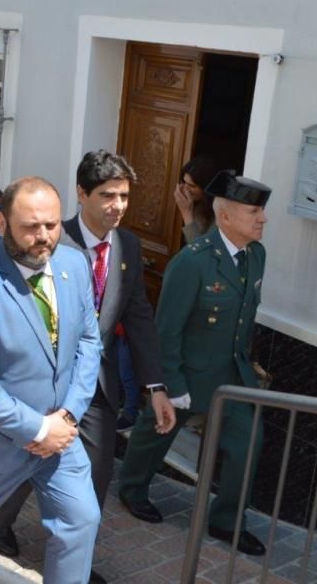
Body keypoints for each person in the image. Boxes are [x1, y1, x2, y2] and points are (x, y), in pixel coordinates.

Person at [0, 153, 176, 583]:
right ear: (82, 193)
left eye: (124, 196)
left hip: (97, 387)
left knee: (95, 475)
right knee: (23, 466)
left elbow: (139, 317)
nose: (118, 205)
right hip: (40, 385)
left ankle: (73, 560)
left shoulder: (127, 246)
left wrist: (155, 385)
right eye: (107, 195)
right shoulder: (50, 240)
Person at [0, 177, 102, 584]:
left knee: (81, 519)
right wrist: (37, 427)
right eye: (30, 226)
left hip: (61, 433)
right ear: (1, 224)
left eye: (51, 224)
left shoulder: (74, 264)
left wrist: (66, 415)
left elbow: (88, 342)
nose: (43, 236)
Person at [119, 171, 271, 557]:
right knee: (157, 431)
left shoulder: (256, 256)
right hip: (188, 373)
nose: (263, 219)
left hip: (232, 376)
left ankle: (226, 522)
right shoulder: (192, 263)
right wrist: (173, 384)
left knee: (248, 443)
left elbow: (243, 318)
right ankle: (132, 488)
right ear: (226, 217)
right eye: (254, 211)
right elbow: (165, 331)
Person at [174, 156, 218, 243]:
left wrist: (186, 213)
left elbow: (198, 251)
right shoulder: (192, 202)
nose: (185, 189)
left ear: (206, 189)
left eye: (192, 186)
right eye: (184, 182)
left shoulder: (218, 216)